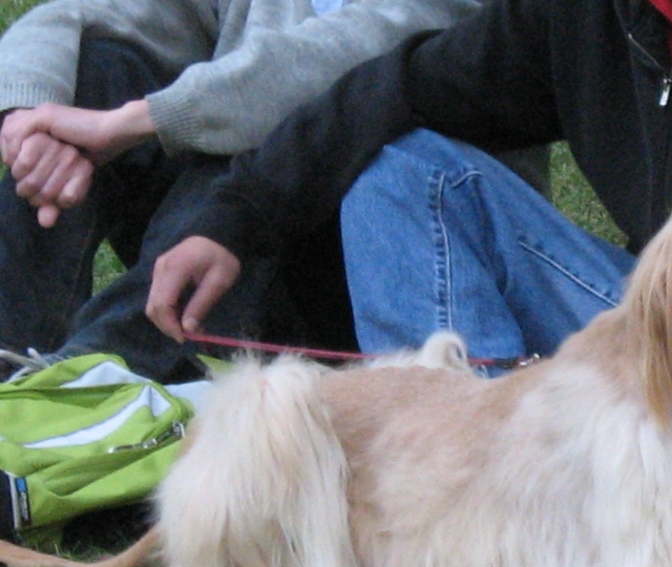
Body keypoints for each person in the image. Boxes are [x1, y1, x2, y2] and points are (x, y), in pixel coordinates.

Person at [145, 0, 672, 494]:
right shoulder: (590, 12)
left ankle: (491, 481)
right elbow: (400, 87)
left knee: (423, 171)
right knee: (398, 160)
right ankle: (467, 469)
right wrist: (234, 216)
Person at [0, 0, 545, 382]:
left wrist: (141, 120)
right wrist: (36, 121)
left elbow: (329, 68)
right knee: (98, 69)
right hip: (226, 243)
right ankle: (10, 362)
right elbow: (92, 10)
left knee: (257, 137)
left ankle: (90, 385)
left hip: (371, 282)